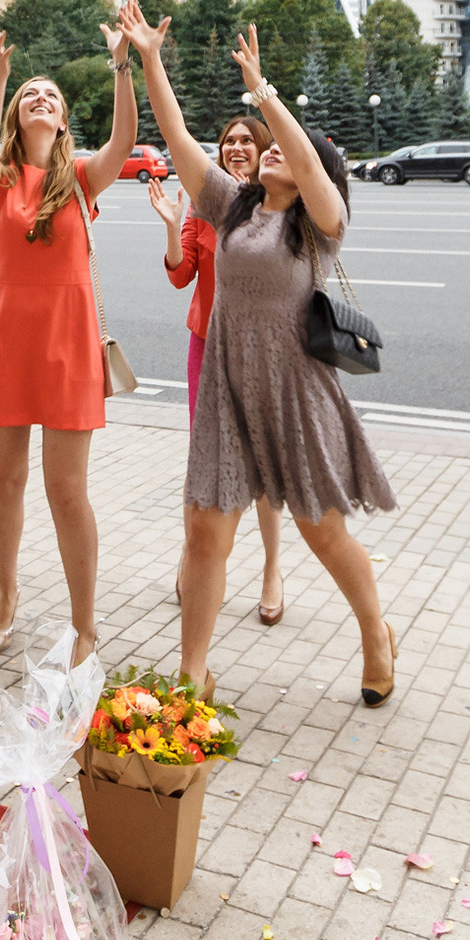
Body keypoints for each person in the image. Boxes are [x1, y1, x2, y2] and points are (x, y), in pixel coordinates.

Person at [119, 3, 399, 708]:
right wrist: (151, 57)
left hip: (294, 392)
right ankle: (192, 671)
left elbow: (313, 175)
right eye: (265, 145)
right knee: (204, 531)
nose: (268, 150)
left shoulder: (318, 224)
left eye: (282, 148)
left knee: (323, 534)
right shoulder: (232, 204)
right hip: (226, 387)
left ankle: (376, 632)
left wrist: (267, 97)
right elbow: (178, 138)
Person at [0, 16, 134, 665]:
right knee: (5, 484)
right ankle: (6, 595)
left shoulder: (82, 178)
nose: (42, 99)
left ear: (62, 122)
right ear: (17, 115)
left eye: (51, 97)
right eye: (31, 94)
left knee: (67, 491)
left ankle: (85, 626)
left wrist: (122, 65)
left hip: (67, 350)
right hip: (4, 348)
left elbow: (125, 139)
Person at [145, 120, 286, 626]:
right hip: (207, 346)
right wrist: (171, 224)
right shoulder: (205, 202)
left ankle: (272, 569)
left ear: (265, 149)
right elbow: (181, 276)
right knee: (204, 464)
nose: (236, 148)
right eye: (229, 141)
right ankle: (194, 556)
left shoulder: (279, 200)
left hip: (264, 354)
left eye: (247, 140)